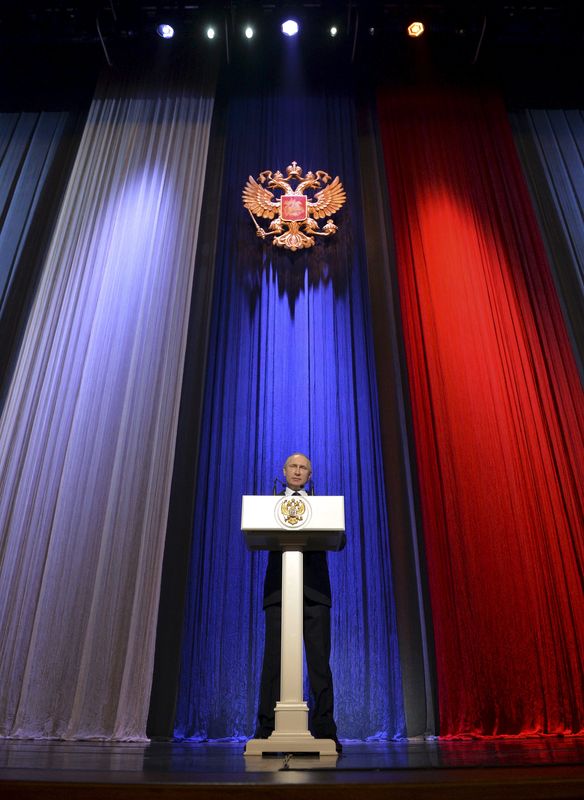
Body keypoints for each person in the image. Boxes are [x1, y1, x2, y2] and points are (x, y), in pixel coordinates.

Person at [255, 452, 343, 752]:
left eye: (303, 467)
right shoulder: (269, 507)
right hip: (279, 593)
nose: (297, 471)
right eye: (292, 466)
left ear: (310, 474)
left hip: (315, 593)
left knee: (320, 666)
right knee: (273, 665)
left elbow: (339, 539)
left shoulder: (320, 506)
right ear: (283, 470)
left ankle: (325, 731)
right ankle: (265, 729)